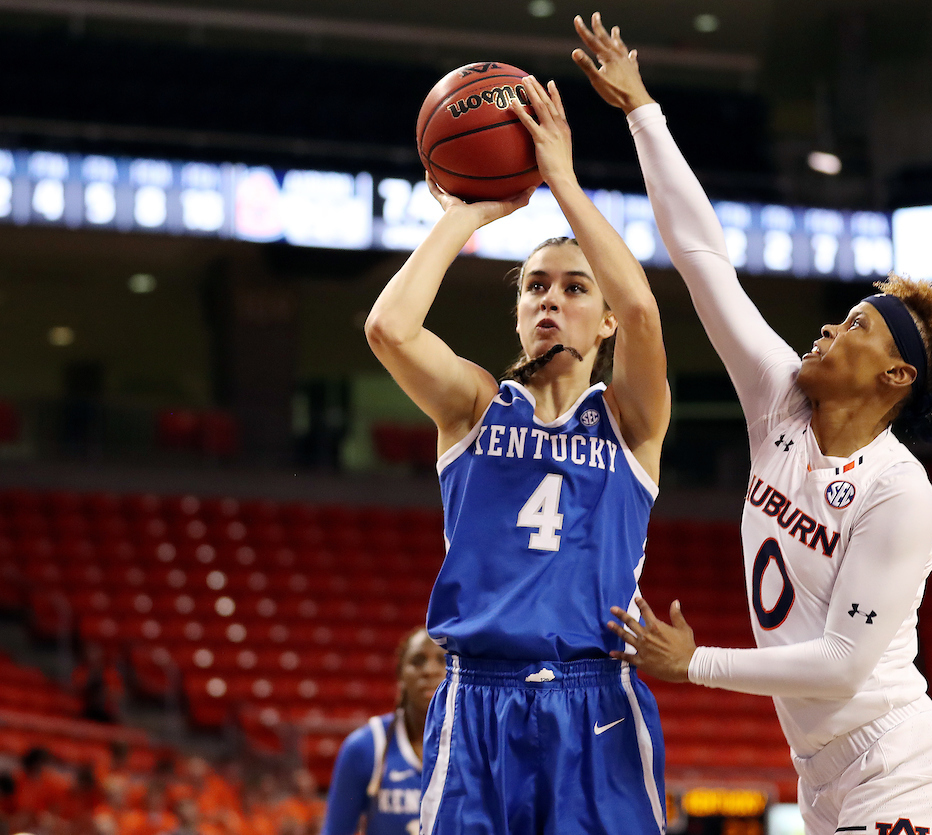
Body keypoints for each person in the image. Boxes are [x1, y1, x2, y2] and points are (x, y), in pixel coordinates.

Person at [573, 12, 932, 835]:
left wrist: (693, 662)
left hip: (906, 772)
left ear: (896, 376)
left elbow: (839, 665)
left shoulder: (902, 493)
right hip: (820, 778)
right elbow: (702, 259)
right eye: (838, 318)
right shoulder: (780, 401)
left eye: (856, 328)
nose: (829, 331)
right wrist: (641, 111)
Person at [365, 73, 671, 834]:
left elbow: (641, 305)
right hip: (476, 697)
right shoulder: (473, 404)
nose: (550, 300)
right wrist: (466, 215)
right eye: (535, 287)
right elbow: (389, 329)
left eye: (573, 289)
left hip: (596, 698)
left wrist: (561, 180)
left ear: (602, 324)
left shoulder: (629, 421)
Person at [321, 628, 447, 835]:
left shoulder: (476, 746)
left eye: (442, 661)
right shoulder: (364, 747)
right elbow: (335, 830)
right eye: (417, 661)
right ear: (400, 675)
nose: (429, 670)